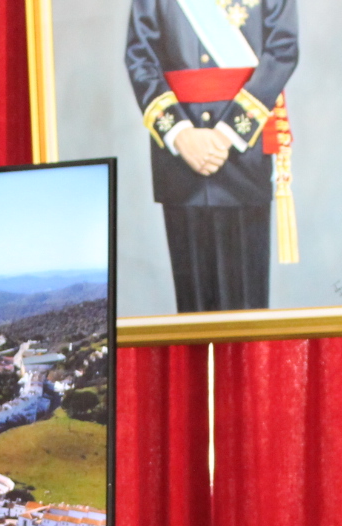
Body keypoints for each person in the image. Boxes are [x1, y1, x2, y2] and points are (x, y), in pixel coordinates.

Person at [125, 0, 298, 313]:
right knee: (193, 311)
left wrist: (228, 132)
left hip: (244, 156)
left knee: (247, 312)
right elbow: (140, 56)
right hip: (181, 159)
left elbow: (282, 50)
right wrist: (179, 133)